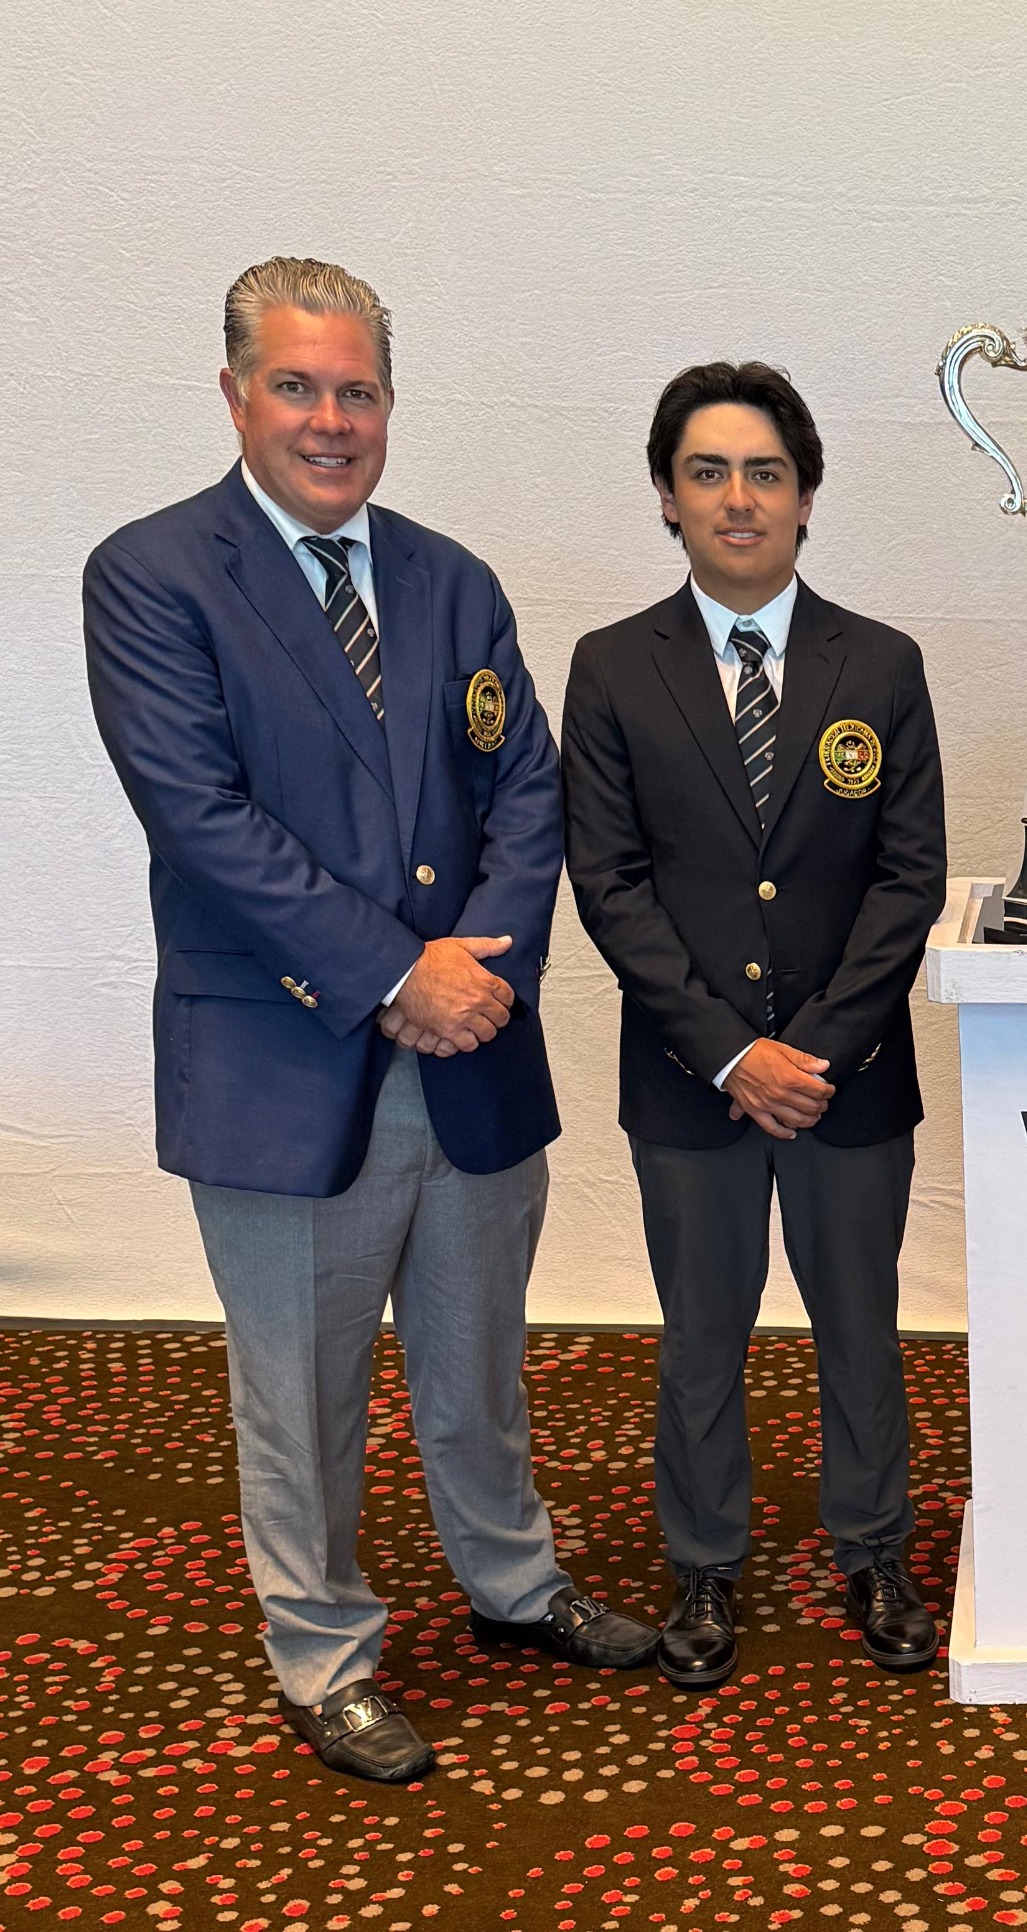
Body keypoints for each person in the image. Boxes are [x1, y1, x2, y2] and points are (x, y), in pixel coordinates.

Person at [83, 258, 656, 1784]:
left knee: (481, 1363)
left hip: (474, 1046)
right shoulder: (153, 576)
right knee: (302, 1391)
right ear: (234, 397)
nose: (330, 420)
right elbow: (202, 820)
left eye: (357, 391)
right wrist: (404, 975)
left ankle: (513, 1585)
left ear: (390, 403)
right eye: (297, 387)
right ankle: (324, 1653)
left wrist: (481, 971)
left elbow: (525, 789)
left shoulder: (451, 579)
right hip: (288, 1059)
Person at [561, 362, 948, 1688]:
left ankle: (875, 1550)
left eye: (766, 473)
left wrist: (816, 1049)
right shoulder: (613, 668)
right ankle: (704, 1564)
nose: (739, 498)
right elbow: (609, 883)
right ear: (667, 497)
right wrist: (730, 1051)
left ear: (807, 496)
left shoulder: (880, 664)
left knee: (861, 1329)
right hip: (692, 1081)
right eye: (709, 472)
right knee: (700, 1337)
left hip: (851, 1077)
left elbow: (908, 877)